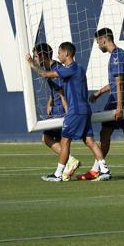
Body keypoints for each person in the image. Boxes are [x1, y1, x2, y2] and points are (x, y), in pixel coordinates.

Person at [26, 42, 111, 182]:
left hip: (75, 111)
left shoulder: (70, 69)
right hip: (84, 110)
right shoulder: (79, 68)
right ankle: (105, 170)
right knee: (90, 141)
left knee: (65, 142)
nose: (58, 55)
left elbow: (46, 74)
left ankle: (58, 174)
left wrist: (32, 64)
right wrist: (51, 101)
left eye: (59, 52)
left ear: (66, 53)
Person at [83, 28, 124, 180]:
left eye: (98, 42)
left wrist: (119, 106)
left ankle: (97, 169)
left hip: (117, 102)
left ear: (104, 40)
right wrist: (99, 93)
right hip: (123, 100)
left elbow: (119, 83)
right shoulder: (119, 55)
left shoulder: (116, 56)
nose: (98, 45)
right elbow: (115, 83)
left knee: (105, 133)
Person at [32, 42, 81, 181]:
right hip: (57, 108)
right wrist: (50, 102)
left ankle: (70, 161)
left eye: (36, 56)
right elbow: (55, 89)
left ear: (42, 55)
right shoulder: (51, 68)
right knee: (62, 140)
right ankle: (67, 166)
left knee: (46, 138)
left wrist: (67, 112)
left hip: (61, 111)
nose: (35, 59)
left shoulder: (56, 69)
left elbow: (62, 91)